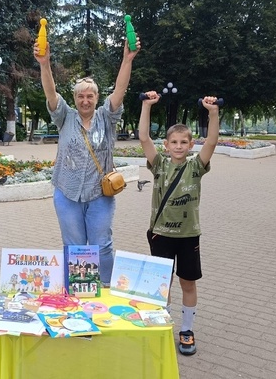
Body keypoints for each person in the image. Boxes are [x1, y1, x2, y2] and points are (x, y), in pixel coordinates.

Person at [33, 39, 140, 286]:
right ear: (75, 98)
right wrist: (44, 64)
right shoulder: (64, 117)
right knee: (74, 246)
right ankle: (79, 294)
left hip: (100, 194)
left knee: (101, 245)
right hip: (67, 193)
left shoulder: (107, 117)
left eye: (90, 96)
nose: (85, 100)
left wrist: (127, 60)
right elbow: (51, 92)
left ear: (96, 97)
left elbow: (120, 90)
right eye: (80, 96)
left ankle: (104, 291)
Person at [138, 92, 220, 356]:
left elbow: (213, 142)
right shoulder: (159, 164)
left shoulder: (196, 167)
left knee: (188, 282)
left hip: (188, 236)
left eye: (184, 141)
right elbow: (143, 137)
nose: (178, 146)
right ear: (166, 144)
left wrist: (213, 112)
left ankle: (186, 329)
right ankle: (163, 326)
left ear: (190, 144)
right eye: (174, 141)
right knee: (163, 284)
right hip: (161, 234)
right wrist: (146, 106)